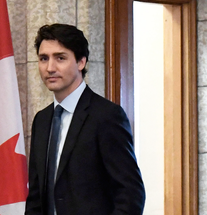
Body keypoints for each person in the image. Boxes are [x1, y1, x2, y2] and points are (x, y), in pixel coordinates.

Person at [25, 23, 145, 215]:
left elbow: (131, 194)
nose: (50, 68)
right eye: (43, 58)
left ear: (81, 62)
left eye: (60, 58)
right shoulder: (42, 120)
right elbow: (36, 196)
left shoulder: (107, 116)